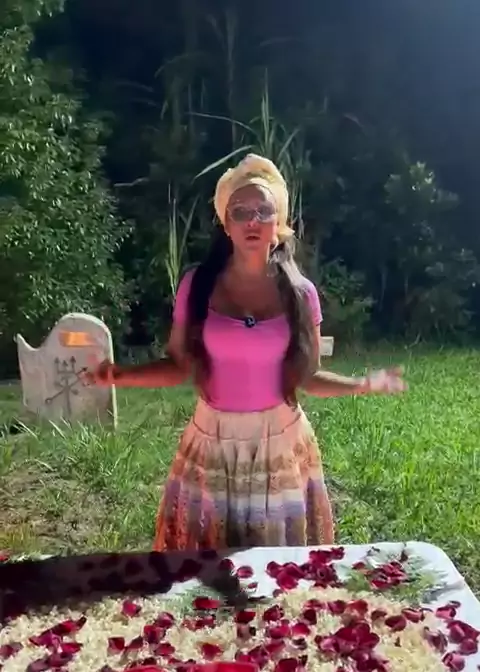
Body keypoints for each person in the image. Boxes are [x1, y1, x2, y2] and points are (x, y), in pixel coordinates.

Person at [85, 154, 406, 551]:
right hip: (213, 441)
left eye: (263, 211)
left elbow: (307, 377)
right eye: (240, 211)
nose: (252, 220)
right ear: (226, 224)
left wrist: (362, 384)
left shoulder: (301, 294)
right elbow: (179, 365)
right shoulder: (197, 285)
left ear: (278, 223)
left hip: (279, 444)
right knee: (205, 564)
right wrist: (119, 375)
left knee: (275, 565)